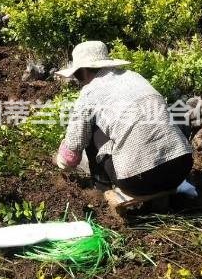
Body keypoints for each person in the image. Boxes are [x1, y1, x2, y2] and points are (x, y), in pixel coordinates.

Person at [55, 41, 193, 196]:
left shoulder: (89, 93)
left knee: (90, 127)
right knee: (164, 116)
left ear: (84, 72)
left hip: (138, 180)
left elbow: (73, 148)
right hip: (181, 168)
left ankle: (102, 189)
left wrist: (61, 162)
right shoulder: (134, 77)